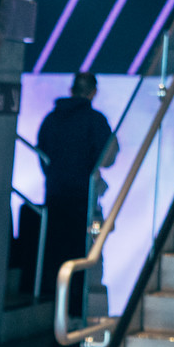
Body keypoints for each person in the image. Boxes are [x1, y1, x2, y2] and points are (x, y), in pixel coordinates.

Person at [36, 72, 117, 308]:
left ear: (71, 90)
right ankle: (75, 311)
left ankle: (54, 307)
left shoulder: (51, 119)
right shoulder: (95, 120)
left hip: (55, 194)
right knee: (82, 254)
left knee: (55, 252)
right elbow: (108, 158)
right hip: (83, 198)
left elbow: (43, 156)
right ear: (93, 92)